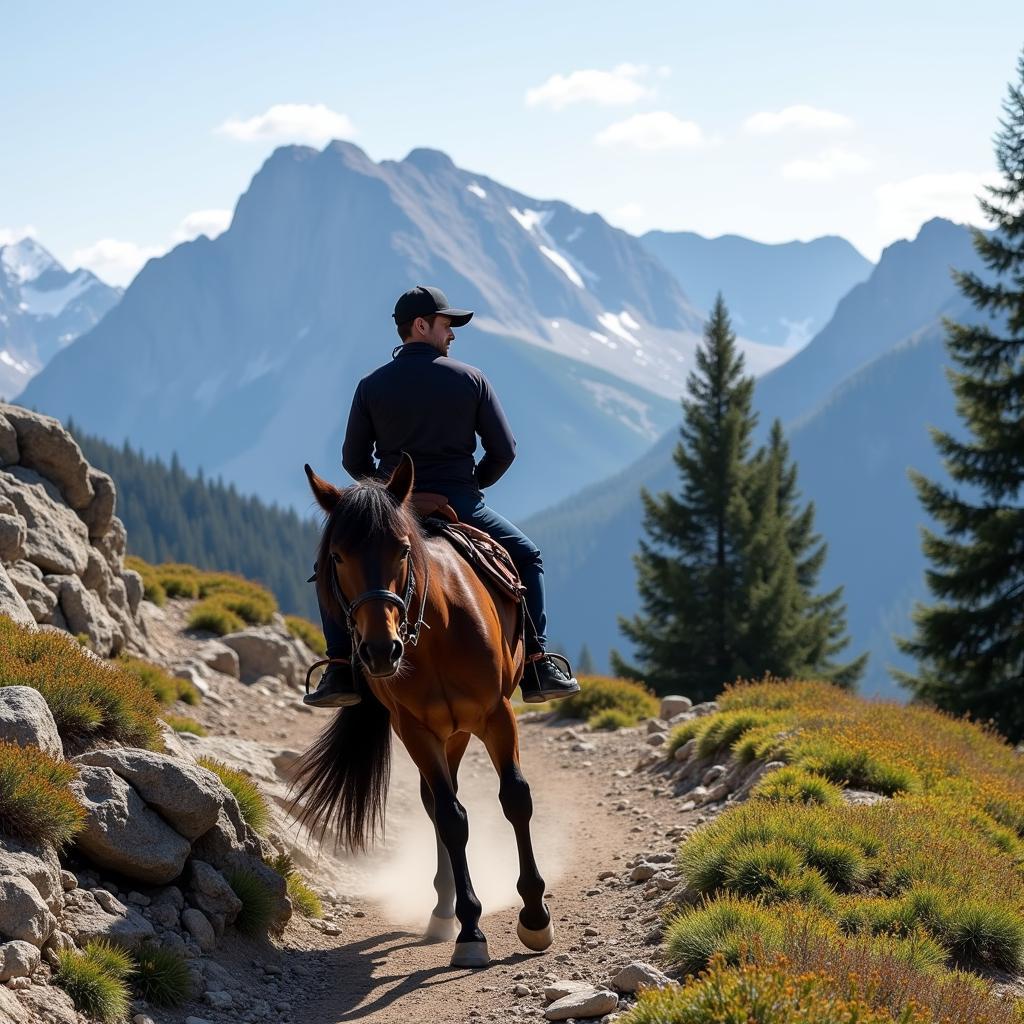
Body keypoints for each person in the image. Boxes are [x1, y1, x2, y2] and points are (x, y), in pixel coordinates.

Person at [304, 285, 581, 708]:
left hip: (396, 510)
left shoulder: (371, 385)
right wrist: (471, 488)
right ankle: (539, 664)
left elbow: (351, 459)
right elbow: (504, 452)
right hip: (461, 503)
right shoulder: (470, 379)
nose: (451, 335)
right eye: (446, 325)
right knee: (527, 557)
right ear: (421, 325)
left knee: (330, 566)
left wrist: (386, 498)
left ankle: (340, 668)